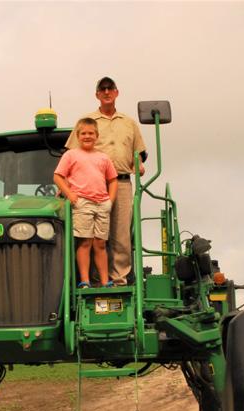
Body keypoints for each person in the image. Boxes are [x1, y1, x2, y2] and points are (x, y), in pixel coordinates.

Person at [66, 76, 147, 286]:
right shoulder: (87, 122)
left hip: (120, 182)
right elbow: (72, 153)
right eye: (102, 89)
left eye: (110, 89)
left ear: (117, 92)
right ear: (97, 95)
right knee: (91, 236)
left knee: (121, 235)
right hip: (91, 184)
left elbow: (138, 151)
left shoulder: (129, 123)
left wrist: (138, 161)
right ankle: (93, 280)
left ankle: (118, 280)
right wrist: (66, 185)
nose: (107, 92)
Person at [54, 117, 118, 289]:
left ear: (97, 135)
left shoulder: (103, 158)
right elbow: (58, 176)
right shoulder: (71, 155)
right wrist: (70, 194)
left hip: (102, 203)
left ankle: (105, 281)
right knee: (85, 242)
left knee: (100, 243)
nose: (87, 136)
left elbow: (113, 180)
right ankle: (85, 281)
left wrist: (110, 200)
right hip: (82, 202)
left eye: (91, 133)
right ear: (78, 135)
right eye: (84, 133)